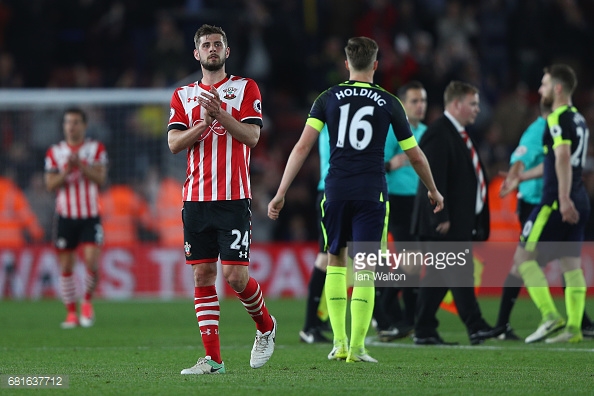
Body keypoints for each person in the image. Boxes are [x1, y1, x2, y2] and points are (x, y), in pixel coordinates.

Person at [268, 36, 443, 363]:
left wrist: (280, 192)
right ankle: (359, 347)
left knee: (336, 260)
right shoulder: (390, 102)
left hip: (335, 190)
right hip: (371, 191)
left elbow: (302, 147)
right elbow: (415, 155)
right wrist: (433, 189)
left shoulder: (327, 98)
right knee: (365, 268)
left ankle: (339, 343)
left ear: (346, 63)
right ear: (376, 65)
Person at [167, 24, 276, 375]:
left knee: (234, 277)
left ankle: (266, 326)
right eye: (205, 45)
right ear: (196, 54)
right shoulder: (183, 95)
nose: (212, 49)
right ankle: (213, 360)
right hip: (196, 199)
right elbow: (173, 144)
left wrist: (221, 114)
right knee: (202, 275)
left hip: (233, 197)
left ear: (227, 52)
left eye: (218, 44)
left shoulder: (245, 87)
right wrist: (201, 124)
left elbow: (252, 136)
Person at [505, 64, 590, 344]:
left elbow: (562, 158)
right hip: (579, 197)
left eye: (543, 84)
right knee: (571, 265)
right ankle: (574, 328)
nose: (539, 90)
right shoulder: (578, 119)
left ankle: (550, 315)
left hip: (555, 201)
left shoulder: (556, 118)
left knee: (522, 261)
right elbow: (553, 163)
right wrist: (522, 177)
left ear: (557, 88)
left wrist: (562, 198)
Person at [411, 81, 494, 345]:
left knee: (438, 278)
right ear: (456, 104)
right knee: (460, 272)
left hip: (456, 221)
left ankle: (423, 329)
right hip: (444, 222)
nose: (477, 110)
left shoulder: (457, 134)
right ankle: (476, 325)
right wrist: (440, 217)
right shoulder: (440, 133)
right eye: (473, 104)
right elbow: (432, 180)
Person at [44, 107, 107, 329]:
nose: (72, 126)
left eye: (76, 122)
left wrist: (80, 165)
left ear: (84, 125)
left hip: (90, 214)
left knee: (91, 261)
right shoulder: (54, 152)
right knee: (66, 266)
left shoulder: (95, 149)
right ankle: (71, 313)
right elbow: (50, 185)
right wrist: (66, 171)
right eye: (68, 122)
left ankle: (87, 300)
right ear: (64, 126)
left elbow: (100, 178)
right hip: (65, 216)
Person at [375, 80, 428, 341]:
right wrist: (390, 164)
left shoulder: (427, 132)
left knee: (414, 264)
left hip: (421, 203)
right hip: (395, 200)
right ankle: (391, 312)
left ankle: (403, 315)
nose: (421, 106)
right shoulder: (392, 131)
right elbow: (376, 163)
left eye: (424, 101)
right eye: (415, 101)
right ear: (403, 105)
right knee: (411, 261)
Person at [299, 125, 332, 344]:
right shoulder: (334, 115)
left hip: (341, 191)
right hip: (332, 191)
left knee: (344, 256)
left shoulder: (333, 111)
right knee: (327, 256)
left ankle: (319, 319)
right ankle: (310, 325)